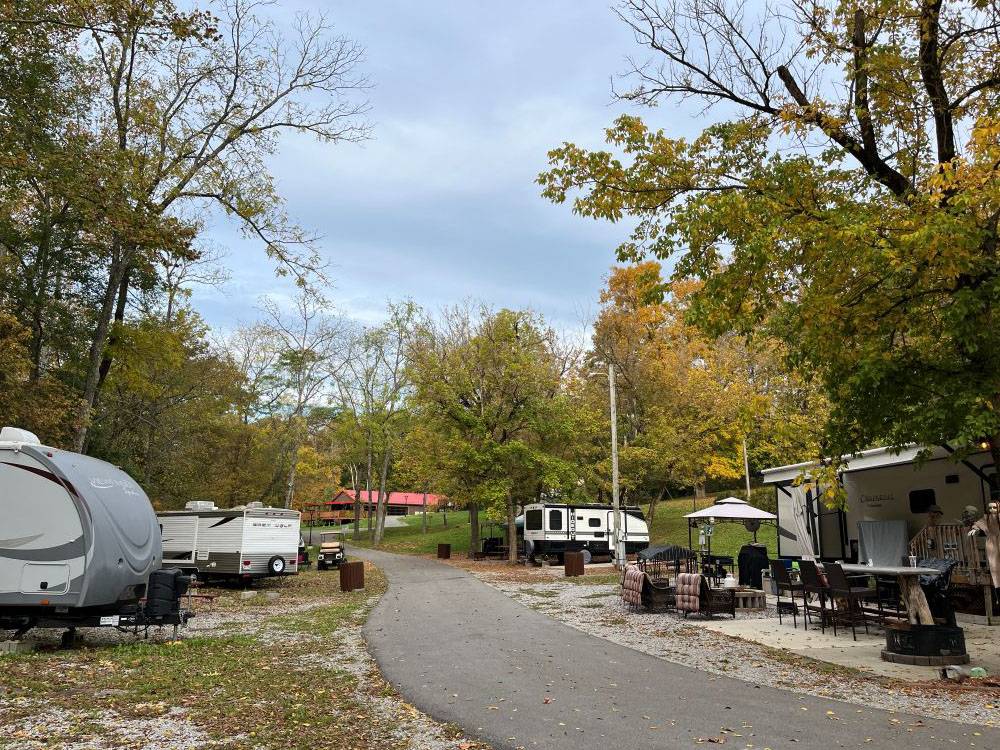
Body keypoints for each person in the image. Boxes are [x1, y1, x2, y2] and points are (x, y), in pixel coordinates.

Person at [968, 502, 1000, 588]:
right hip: (992, 543)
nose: (992, 510)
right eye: (990, 508)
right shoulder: (986, 519)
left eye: (994, 507)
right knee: (994, 567)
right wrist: (975, 529)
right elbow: (978, 523)